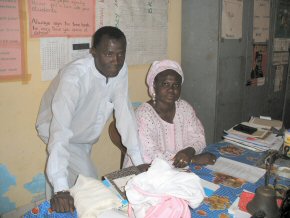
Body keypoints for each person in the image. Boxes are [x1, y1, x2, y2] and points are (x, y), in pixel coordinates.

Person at [35, 26, 144, 213]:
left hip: (84, 133)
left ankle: (59, 196)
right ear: (93, 52)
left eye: (121, 54)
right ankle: (58, 195)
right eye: (109, 53)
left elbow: (125, 114)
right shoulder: (75, 77)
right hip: (56, 128)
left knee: (75, 185)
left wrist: (139, 160)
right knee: (90, 186)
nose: (116, 61)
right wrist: (61, 188)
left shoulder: (120, 70)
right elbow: (60, 130)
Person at [123, 60, 215, 168]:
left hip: (178, 170)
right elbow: (151, 156)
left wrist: (190, 151)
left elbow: (198, 137)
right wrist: (193, 159)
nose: (171, 90)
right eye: (165, 84)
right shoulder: (144, 115)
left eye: (176, 85)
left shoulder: (185, 108)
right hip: (145, 173)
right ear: (154, 85)